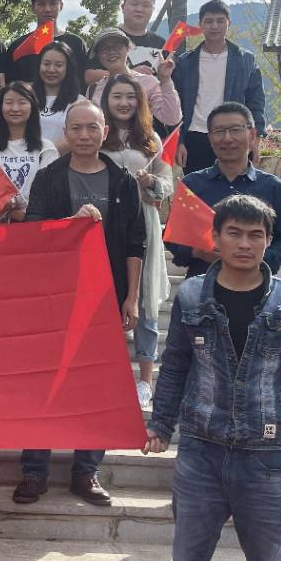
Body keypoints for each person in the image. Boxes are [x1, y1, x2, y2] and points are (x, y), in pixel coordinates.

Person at [144, 194, 281, 561]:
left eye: (255, 235)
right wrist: (160, 424)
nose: (245, 244)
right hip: (201, 454)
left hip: (267, 458)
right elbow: (175, 366)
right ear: (216, 238)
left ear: (268, 241)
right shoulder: (191, 296)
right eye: (235, 233)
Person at [19, 100, 145, 508]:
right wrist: (69, 224)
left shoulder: (122, 181)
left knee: (97, 385)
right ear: (66, 133)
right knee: (43, 383)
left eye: (92, 128)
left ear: (105, 132)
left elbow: (136, 243)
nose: (85, 135)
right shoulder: (49, 177)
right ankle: (34, 471)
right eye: (77, 128)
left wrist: (132, 297)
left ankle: (86, 470)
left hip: (105, 298)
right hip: (54, 298)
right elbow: (33, 231)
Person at [99, 75, 172, 410]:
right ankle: (108, 372)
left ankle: (145, 380)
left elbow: (167, 183)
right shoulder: (100, 135)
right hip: (108, 222)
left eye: (130, 96)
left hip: (145, 220)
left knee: (144, 297)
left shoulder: (151, 138)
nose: (124, 103)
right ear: (107, 100)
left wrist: (152, 181)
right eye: (117, 96)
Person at [166, 102, 281, 279]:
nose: (227, 138)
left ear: (252, 135)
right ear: (210, 138)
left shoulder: (273, 187)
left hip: (256, 283)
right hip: (202, 282)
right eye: (219, 131)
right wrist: (196, 252)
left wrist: (258, 258)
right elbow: (172, 236)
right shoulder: (192, 185)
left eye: (236, 130)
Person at [173, 0, 266, 174]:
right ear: (200, 25)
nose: (214, 26)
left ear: (229, 23)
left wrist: (256, 137)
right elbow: (176, 104)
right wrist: (179, 141)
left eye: (220, 21)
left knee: (234, 186)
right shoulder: (185, 62)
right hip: (195, 136)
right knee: (197, 188)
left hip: (233, 135)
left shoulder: (245, 60)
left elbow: (256, 101)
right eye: (208, 21)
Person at [0, 81, 58, 222]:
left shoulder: (46, 149)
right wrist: (13, 211)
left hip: (34, 226)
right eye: (9, 102)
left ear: (32, 107)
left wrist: (16, 207)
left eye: (22, 102)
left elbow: (49, 193)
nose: (15, 108)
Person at [86, 28, 182, 130]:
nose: (111, 51)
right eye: (104, 49)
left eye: (117, 46)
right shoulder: (93, 89)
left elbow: (172, 119)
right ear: (98, 56)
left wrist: (165, 80)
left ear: (128, 48)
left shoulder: (148, 82)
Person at [7, 0, 88, 82]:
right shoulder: (18, 47)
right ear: (32, 8)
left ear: (61, 6)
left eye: (53, 3)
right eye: (41, 4)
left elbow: (83, 81)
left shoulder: (76, 43)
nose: (47, 9)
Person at [33, 41, 87, 150]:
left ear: (68, 68)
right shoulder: (27, 97)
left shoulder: (80, 103)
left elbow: (78, 135)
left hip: (62, 158)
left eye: (58, 65)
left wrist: (47, 154)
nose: (51, 70)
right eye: (46, 64)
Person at [116, 0, 166, 68]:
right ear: (123, 7)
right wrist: (130, 73)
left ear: (153, 10)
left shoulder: (161, 44)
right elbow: (91, 73)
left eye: (146, 5)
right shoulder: (108, 38)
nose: (139, 9)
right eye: (134, 4)